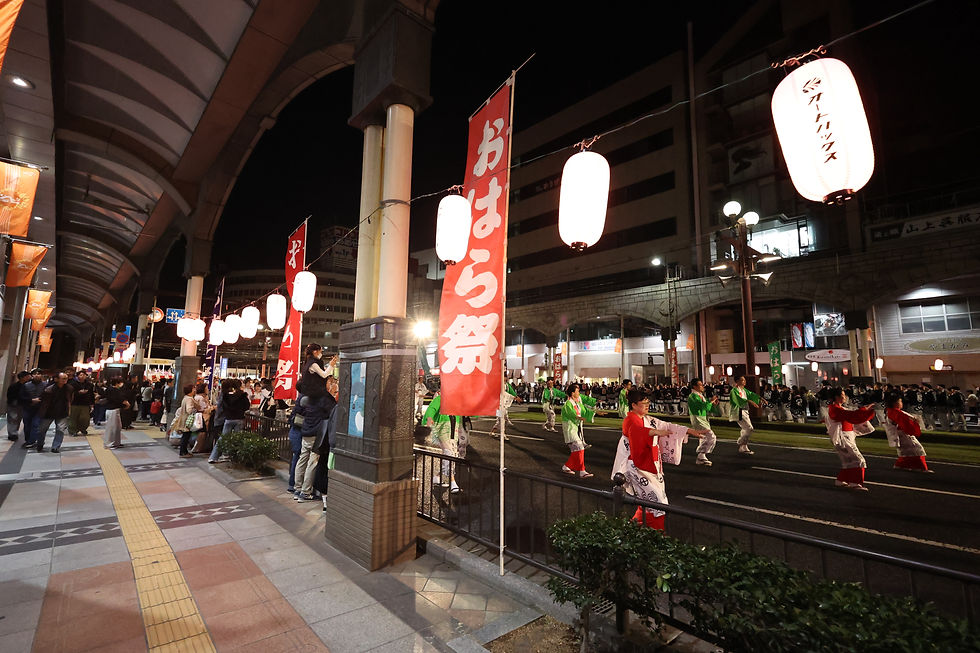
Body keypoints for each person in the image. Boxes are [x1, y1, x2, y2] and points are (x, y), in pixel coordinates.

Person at [616, 390, 706, 530]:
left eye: (648, 402)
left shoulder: (647, 419)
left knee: (648, 502)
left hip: (650, 464)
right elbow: (636, 432)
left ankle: (634, 528)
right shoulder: (630, 420)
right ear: (633, 405)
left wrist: (689, 431)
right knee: (657, 502)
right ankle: (657, 534)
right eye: (643, 403)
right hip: (637, 466)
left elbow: (666, 425)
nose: (647, 405)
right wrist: (653, 432)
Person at [826, 387, 876, 491]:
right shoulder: (835, 409)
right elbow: (852, 415)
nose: (845, 397)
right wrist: (864, 410)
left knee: (848, 461)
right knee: (858, 460)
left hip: (844, 436)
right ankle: (856, 483)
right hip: (843, 437)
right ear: (837, 397)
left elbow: (851, 415)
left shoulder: (836, 408)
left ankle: (841, 480)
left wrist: (864, 410)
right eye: (843, 395)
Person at [423, 379, 461, 494]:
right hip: (442, 430)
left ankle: (437, 476)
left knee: (449, 454)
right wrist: (429, 418)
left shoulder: (455, 400)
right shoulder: (440, 399)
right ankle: (452, 481)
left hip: (453, 431)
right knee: (449, 453)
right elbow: (431, 409)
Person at [312, 376, 340, 511]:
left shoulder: (319, 399)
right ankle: (326, 502)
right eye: (331, 382)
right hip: (329, 444)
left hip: (325, 441)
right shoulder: (332, 404)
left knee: (322, 468)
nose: (333, 384)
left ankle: (324, 502)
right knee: (327, 470)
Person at [884, 394, 931, 472]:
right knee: (917, 449)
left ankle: (900, 465)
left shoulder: (892, 411)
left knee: (906, 451)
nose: (901, 403)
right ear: (895, 403)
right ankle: (921, 467)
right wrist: (913, 421)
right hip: (903, 434)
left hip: (900, 434)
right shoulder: (895, 412)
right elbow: (903, 421)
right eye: (900, 401)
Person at [560, 384, 597, 478]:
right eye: (577, 391)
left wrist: (596, 413)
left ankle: (566, 466)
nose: (578, 393)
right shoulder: (568, 404)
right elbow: (570, 413)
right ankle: (582, 471)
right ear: (573, 393)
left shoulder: (576, 403)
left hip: (574, 430)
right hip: (569, 430)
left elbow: (585, 410)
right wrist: (578, 417)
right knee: (580, 447)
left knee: (576, 451)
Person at [210, 379, 249, 464]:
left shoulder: (225, 395)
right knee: (237, 439)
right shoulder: (242, 395)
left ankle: (213, 457)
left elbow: (223, 407)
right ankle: (235, 457)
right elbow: (247, 406)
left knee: (223, 438)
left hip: (228, 419)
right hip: (239, 418)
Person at [35, 372, 73, 453]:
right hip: (48, 412)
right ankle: (40, 443)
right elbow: (42, 400)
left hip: (63, 412)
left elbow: (70, 400)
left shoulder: (69, 388)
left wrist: (69, 411)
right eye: (63, 378)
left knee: (60, 430)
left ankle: (55, 446)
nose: (65, 380)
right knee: (42, 429)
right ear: (56, 379)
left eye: (66, 378)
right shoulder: (49, 388)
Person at [730, 376, 765, 455]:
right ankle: (740, 441)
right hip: (739, 411)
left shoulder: (743, 390)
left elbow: (751, 394)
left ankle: (743, 446)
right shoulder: (734, 391)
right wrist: (750, 401)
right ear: (737, 381)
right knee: (749, 428)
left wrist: (761, 399)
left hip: (745, 411)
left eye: (744, 380)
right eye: (742, 380)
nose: (744, 381)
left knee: (746, 428)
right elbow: (738, 400)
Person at [686, 378, 718, 466]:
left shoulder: (699, 395)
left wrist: (711, 403)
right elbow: (703, 406)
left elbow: (707, 406)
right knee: (711, 436)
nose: (702, 386)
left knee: (704, 437)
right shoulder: (693, 396)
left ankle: (701, 456)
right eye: (700, 385)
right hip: (697, 418)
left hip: (702, 418)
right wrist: (711, 402)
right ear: (694, 386)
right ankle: (701, 454)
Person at [19, 368, 46, 448]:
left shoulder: (45, 385)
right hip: (27, 408)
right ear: (31, 375)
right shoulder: (26, 385)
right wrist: (31, 400)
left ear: (41, 375)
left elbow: (47, 397)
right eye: (35, 374)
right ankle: (28, 440)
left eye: (39, 374)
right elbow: (21, 397)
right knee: (27, 425)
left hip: (39, 409)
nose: (37, 375)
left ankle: (31, 441)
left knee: (35, 424)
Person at [102, 378, 129, 449]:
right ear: (117, 383)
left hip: (113, 410)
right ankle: (109, 443)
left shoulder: (109, 389)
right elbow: (118, 399)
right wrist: (125, 403)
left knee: (117, 427)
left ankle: (116, 442)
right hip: (113, 410)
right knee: (112, 427)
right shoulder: (114, 390)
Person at [68, 370, 95, 436]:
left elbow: (91, 395)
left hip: (85, 403)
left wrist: (92, 404)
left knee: (85, 418)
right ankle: (73, 430)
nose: (82, 376)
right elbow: (70, 394)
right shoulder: (72, 384)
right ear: (77, 376)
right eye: (81, 375)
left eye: (84, 375)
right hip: (75, 403)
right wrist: (78, 392)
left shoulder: (89, 385)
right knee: (73, 418)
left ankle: (83, 428)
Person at [5, 370, 29, 441]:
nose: (28, 377)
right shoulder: (14, 386)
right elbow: (10, 395)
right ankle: (12, 434)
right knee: (13, 419)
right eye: (26, 376)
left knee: (18, 419)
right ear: (22, 377)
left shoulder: (26, 386)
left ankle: (14, 432)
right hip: (13, 404)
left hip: (21, 405)